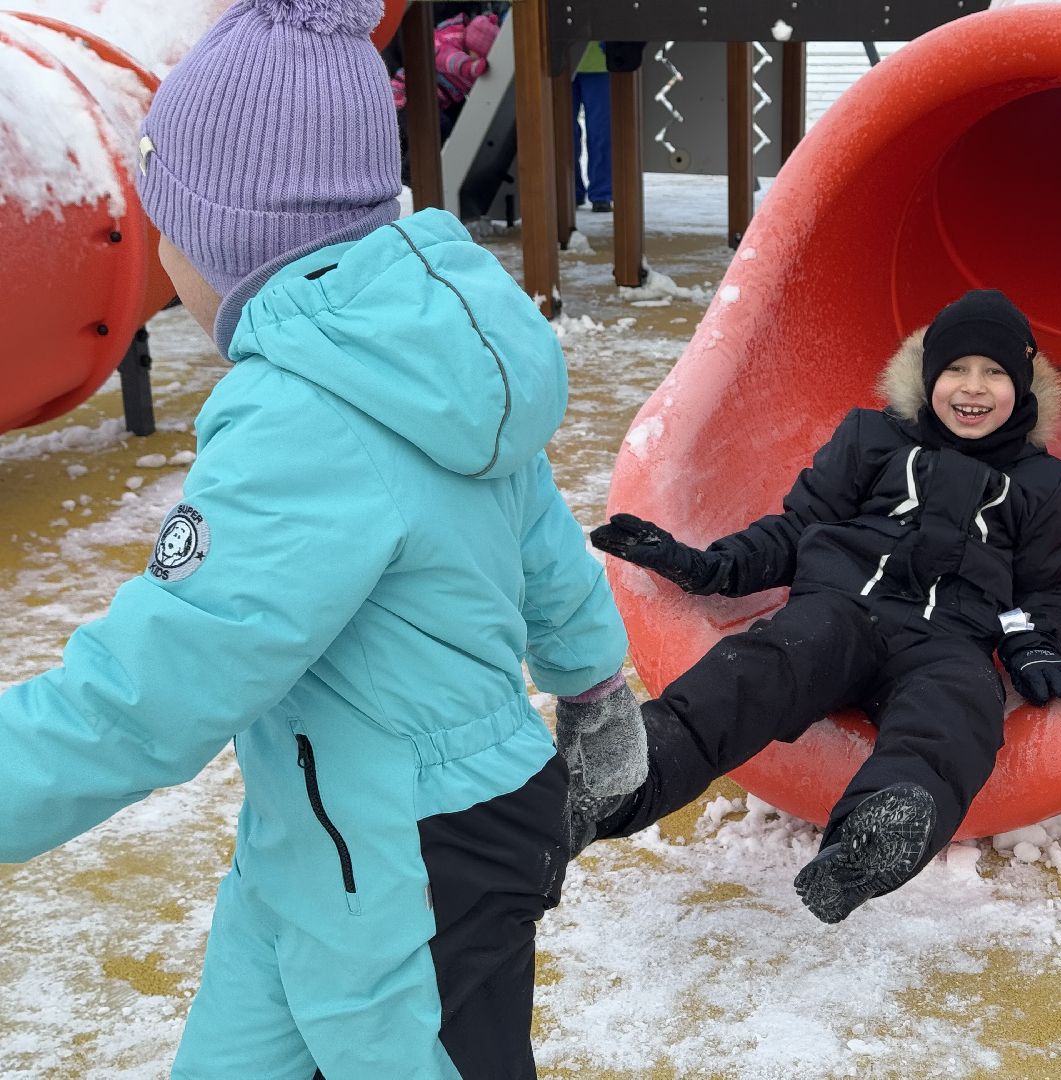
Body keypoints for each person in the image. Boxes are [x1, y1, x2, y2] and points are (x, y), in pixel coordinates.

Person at [0, 1, 643, 1076]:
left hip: (404, 856)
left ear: (236, 239)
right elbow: (542, 544)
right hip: (327, 824)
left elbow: (155, 686)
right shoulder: (427, 351)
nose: (160, 258)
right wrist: (595, 690)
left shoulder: (303, 417)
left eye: (171, 229)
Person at [574, 289, 1061, 924]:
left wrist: (1031, 643)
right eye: (956, 368)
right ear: (929, 373)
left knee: (958, 711)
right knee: (760, 666)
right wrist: (709, 567)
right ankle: (623, 783)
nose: (973, 387)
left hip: (947, 642)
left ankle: (872, 840)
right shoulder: (871, 439)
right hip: (841, 612)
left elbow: (1043, 585)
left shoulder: (1041, 482)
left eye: (995, 373)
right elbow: (798, 529)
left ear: (1024, 383)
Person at [391, 9, 501, 143]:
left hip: (418, 102)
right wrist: (470, 67)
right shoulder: (446, 45)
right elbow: (451, 61)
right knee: (438, 128)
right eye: (478, 56)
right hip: (405, 98)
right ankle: (413, 163)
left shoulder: (460, 39)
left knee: (422, 132)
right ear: (471, 47)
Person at [572, 42, 612, 212]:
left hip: (600, 64)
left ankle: (601, 193)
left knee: (600, 132)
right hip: (562, 62)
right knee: (564, 133)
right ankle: (571, 190)